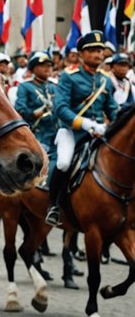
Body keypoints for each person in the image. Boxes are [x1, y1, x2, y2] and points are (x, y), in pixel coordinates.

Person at [46, 31, 117, 226]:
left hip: (98, 133)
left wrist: (114, 125)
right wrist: (85, 123)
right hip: (72, 132)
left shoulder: (105, 80)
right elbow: (60, 108)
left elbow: (112, 109)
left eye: (100, 50)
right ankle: (54, 205)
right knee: (63, 163)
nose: (98, 54)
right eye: (93, 50)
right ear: (81, 54)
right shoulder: (69, 76)